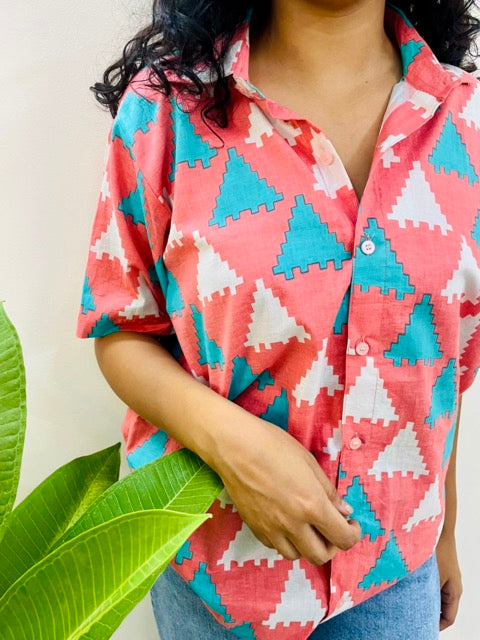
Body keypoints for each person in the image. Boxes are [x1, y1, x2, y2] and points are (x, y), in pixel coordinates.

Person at [76, 1, 480, 638]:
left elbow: (445, 365)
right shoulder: (166, 108)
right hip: (211, 579)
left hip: (392, 576)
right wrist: (234, 448)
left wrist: (447, 532)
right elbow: (121, 325)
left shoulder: (467, 118)